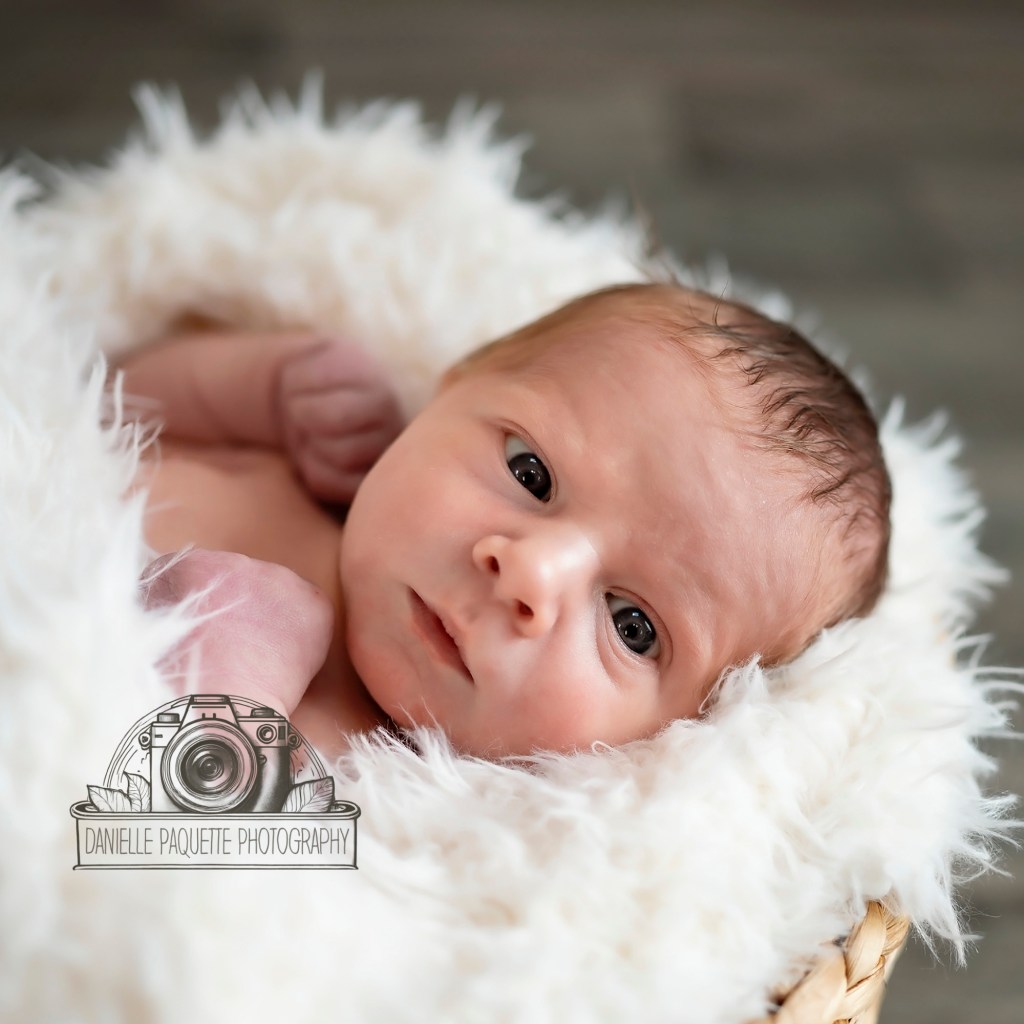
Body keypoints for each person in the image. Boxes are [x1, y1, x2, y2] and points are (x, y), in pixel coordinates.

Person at [123, 282, 891, 759]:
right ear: (449, 390)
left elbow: (194, 907)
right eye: (531, 472)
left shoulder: (410, 811)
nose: (530, 570)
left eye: (633, 626)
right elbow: (92, 396)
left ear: (678, 734)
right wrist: (262, 385)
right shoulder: (282, 472)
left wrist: (227, 700)